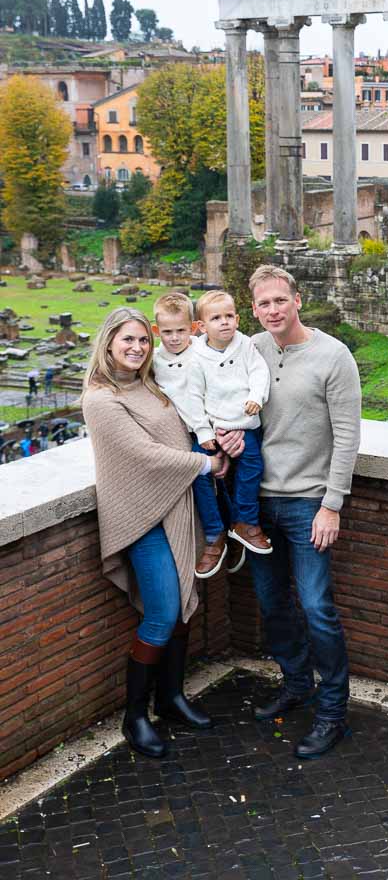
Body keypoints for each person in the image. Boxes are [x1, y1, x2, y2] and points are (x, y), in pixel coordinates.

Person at [216, 264, 361, 761]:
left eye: (280, 300)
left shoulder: (333, 355)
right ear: (252, 308)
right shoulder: (247, 349)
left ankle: (332, 712)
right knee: (272, 603)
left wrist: (332, 505)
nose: (273, 310)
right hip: (255, 505)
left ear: (297, 300)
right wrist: (225, 434)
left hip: (307, 503)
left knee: (318, 608)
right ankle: (296, 683)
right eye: (263, 304)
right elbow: (225, 401)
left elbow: (347, 435)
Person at [82, 307, 225, 759]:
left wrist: (221, 437)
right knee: (163, 611)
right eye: (128, 340)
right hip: (139, 517)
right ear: (108, 343)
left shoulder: (150, 384)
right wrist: (205, 464)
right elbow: (142, 454)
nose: (137, 348)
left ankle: (172, 698)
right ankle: (135, 716)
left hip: (176, 508)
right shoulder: (101, 399)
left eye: (144, 340)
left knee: (184, 604)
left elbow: (188, 423)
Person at [184, 290, 272, 566]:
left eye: (229, 316)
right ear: (201, 326)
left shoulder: (245, 345)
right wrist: (203, 432)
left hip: (243, 423)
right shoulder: (196, 355)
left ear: (237, 318)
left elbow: (260, 372)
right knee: (199, 471)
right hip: (212, 427)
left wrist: (256, 397)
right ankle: (215, 531)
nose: (225, 322)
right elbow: (193, 396)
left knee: (252, 466)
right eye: (216, 318)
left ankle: (245, 521)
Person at [153, 291, 230, 580]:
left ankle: (219, 531)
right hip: (180, 433)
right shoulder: (155, 360)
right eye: (167, 332)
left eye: (181, 331)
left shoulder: (202, 349)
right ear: (156, 331)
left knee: (212, 476)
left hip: (212, 428)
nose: (174, 338)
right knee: (201, 477)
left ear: (194, 328)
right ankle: (223, 530)